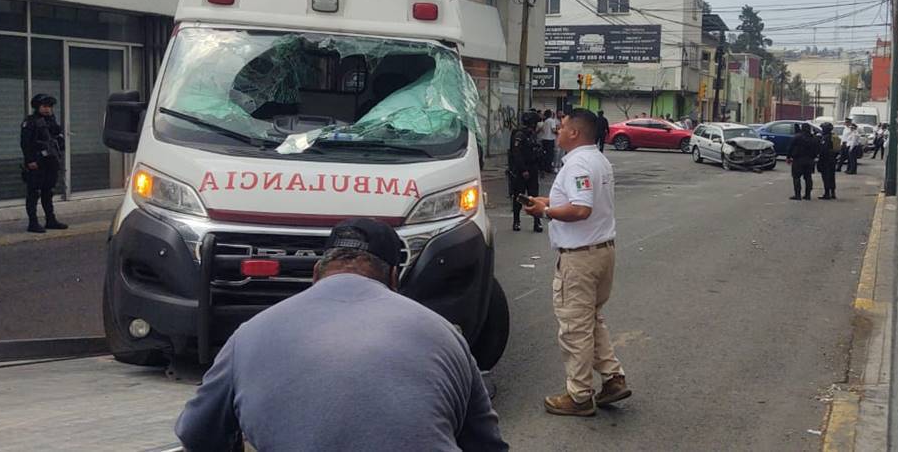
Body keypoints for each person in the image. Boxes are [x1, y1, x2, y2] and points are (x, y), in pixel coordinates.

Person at [175, 219, 507, 451]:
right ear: (393, 278)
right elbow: (487, 444)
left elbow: (196, 434)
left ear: (316, 273)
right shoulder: (445, 335)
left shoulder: (248, 335)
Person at [523, 109, 629, 417]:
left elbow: (581, 209)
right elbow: (582, 202)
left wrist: (544, 213)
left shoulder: (578, 164)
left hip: (581, 258)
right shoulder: (596, 160)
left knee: (574, 327)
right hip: (602, 251)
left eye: (563, 127)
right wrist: (548, 203)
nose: (557, 131)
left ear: (575, 133)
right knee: (590, 320)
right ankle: (612, 378)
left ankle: (580, 396)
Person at [20, 94, 68, 233]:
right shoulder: (30, 122)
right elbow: (25, 143)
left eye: (50, 107)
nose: (48, 109)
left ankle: (50, 220)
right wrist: (30, 161)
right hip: (37, 162)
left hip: (50, 162)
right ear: (37, 107)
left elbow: (58, 139)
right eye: (45, 106)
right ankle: (33, 222)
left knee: (48, 191)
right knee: (34, 193)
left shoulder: (51, 122)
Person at [509, 111, 544, 232]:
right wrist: (523, 169)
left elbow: (537, 151)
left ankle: (537, 222)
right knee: (519, 196)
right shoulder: (520, 135)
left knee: (534, 196)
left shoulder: (532, 134)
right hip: (521, 171)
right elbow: (516, 154)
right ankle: (516, 221)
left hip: (533, 169)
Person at [787, 123, 821, 201]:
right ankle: (808, 195)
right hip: (809, 160)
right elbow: (818, 149)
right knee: (808, 177)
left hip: (798, 159)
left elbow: (790, 147)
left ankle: (797, 195)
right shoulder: (813, 138)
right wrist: (814, 156)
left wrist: (788, 157)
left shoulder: (797, 137)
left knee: (796, 177)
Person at [816, 122, 841, 200]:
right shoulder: (833, 136)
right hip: (833, 160)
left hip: (826, 160)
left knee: (826, 177)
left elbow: (823, 150)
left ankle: (827, 194)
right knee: (832, 176)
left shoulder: (825, 138)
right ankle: (833, 192)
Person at [538, 109, 558, 173]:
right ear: (550, 114)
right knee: (550, 155)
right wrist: (559, 132)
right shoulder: (552, 121)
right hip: (550, 139)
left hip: (544, 139)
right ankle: (548, 168)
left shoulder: (545, 121)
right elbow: (553, 130)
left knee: (545, 154)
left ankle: (544, 167)